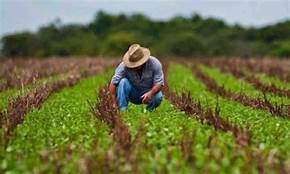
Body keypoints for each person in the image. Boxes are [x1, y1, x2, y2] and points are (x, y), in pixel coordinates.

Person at [109, 43, 164, 112]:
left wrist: (150, 93)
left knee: (158, 97)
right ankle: (123, 110)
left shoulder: (154, 63)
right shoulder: (123, 66)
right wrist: (113, 103)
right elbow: (113, 83)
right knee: (123, 82)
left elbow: (159, 83)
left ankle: (149, 111)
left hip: (149, 93)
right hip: (133, 93)